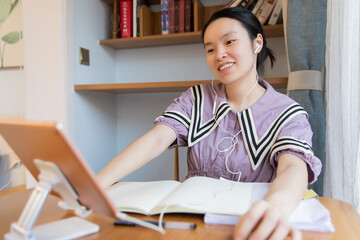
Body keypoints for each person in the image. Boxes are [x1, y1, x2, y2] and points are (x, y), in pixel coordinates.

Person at [97, 7, 322, 240]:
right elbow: (156, 139)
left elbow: (293, 167)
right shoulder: (197, 98)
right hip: (189, 223)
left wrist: (277, 207)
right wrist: (97, 183)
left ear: (257, 43)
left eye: (230, 42)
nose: (219, 54)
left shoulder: (288, 112)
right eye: (210, 49)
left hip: (248, 225)